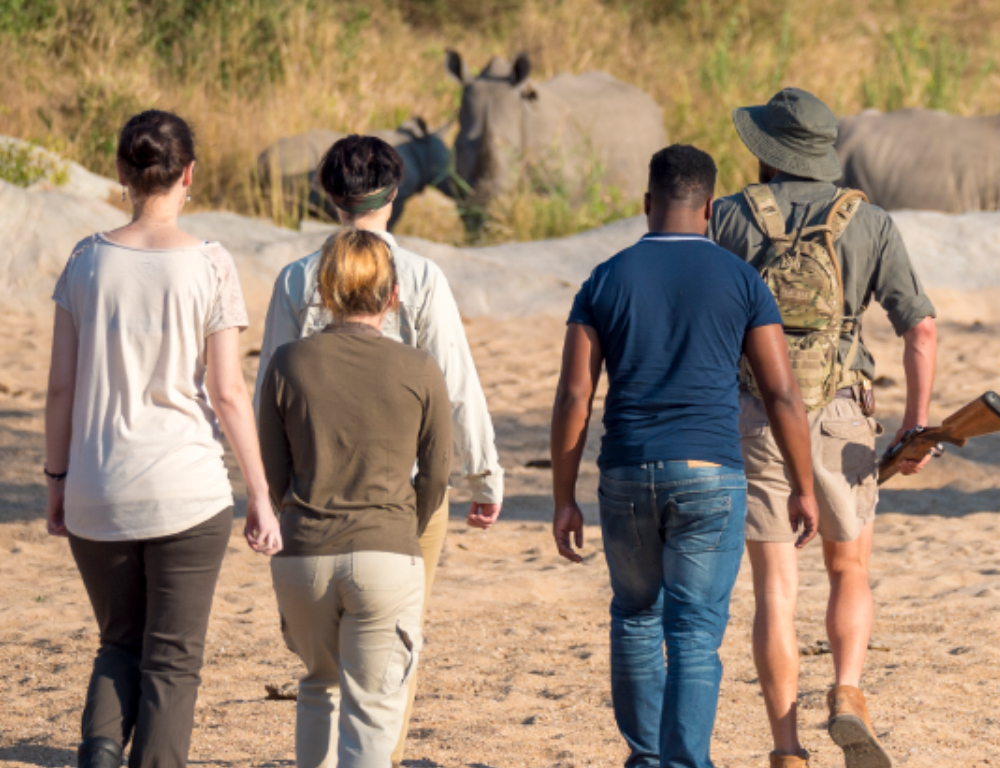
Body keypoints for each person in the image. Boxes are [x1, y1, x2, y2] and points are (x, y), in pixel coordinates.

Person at [550, 144, 819, 768]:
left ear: (647, 204)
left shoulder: (606, 277)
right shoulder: (740, 279)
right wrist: (802, 485)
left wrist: (564, 496)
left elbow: (573, 396)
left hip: (626, 470)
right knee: (695, 633)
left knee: (635, 618)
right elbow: (780, 391)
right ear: (713, 208)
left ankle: (646, 759)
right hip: (711, 473)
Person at [708, 88, 939, 768]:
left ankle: (787, 750)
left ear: (766, 153)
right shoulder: (869, 220)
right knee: (849, 569)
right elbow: (920, 328)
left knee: (776, 588)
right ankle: (846, 690)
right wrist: (917, 424)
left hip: (754, 410)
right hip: (843, 410)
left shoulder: (727, 218)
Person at [255, 134, 504, 764]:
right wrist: (483, 475)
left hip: (311, 490)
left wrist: (273, 496)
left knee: (323, 670)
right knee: (391, 649)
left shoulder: (294, 278)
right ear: (396, 195)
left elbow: (269, 397)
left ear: (329, 197)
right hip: (405, 492)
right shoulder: (419, 275)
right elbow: (452, 383)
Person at [44, 109, 282, 768]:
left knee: (118, 641)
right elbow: (229, 392)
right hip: (188, 492)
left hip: (98, 485)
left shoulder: (86, 261)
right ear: (189, 176)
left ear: (122, 172)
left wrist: (57, 482)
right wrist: (260, 494)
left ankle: (97, 753)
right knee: (173, 662)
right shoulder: (210, 263)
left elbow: (60, 390)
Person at [258, 229, 452, 768]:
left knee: (318, 687)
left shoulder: (286, 363)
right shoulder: (419, 368)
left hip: (303, 555)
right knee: (372, 706)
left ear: (323, 289)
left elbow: (275, 472)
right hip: (386, 551)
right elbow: (437, 473)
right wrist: (403, 524)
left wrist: (300, 512)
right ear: (392, 297)